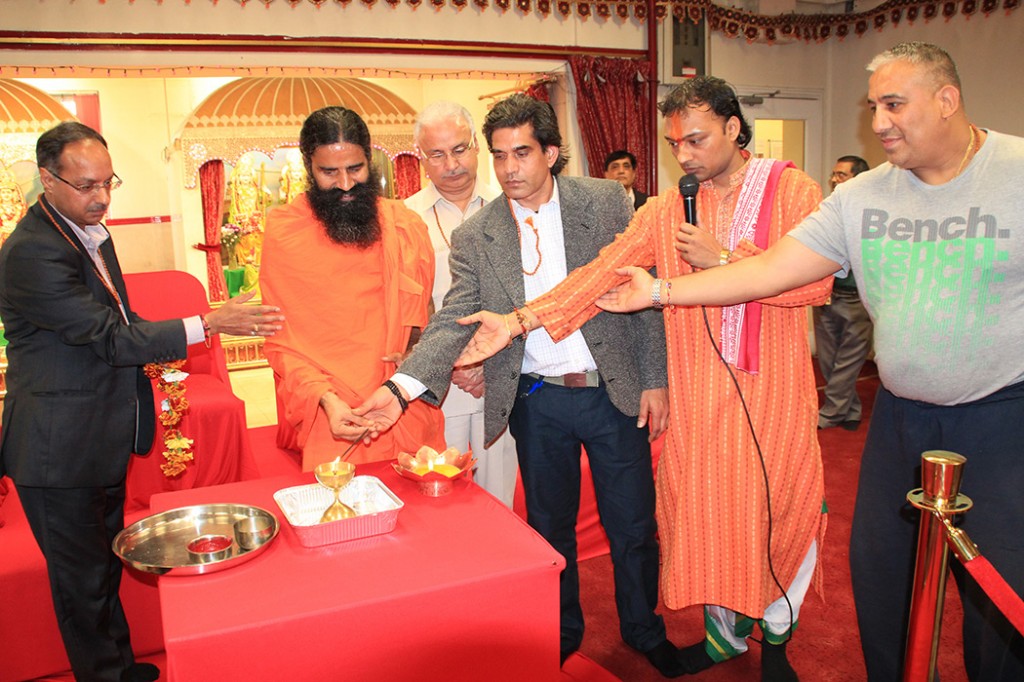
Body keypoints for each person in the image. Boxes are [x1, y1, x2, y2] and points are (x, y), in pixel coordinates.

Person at [584, 43, 1024, 681]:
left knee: (998, 582)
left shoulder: (1015, 172)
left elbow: (803, 290)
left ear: (947, 100)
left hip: (1003, 415)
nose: (878, 123)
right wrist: (658, 291)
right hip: (899, 417)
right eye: (874, 106)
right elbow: (771, 271)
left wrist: (678, 280)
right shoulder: (863, 195)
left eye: (894, 105)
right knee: (881, 574)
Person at [456, 77, 832, 681]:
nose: (683, 155)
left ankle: (780, 641)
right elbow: (601, 272)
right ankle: (724, 638)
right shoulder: (665, 209)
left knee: (778, 510)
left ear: (735, 128)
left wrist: (726, 261)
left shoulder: (793, 190)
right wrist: (519, 321)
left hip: (773, 393)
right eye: (674, 142)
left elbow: (816, 284)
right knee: (708, 514)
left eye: (697, 140)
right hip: (701, 394)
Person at [357, 94, 684, 676]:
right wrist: (403, 387)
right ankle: (559, 634)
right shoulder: (478, 234)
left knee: (633, 524)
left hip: (612, 392)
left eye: (523, 153)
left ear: (551, 153)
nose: (509, 169)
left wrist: (655, 379)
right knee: (550, 529)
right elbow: (451, 318)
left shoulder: (606, 201)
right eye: (500, 155)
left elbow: (646, 288)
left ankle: (643, 629)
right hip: (538, 401)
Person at [0, 121, 282, 682]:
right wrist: (207, 323)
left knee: (101, 574)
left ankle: (123, 670)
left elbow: (120, 323)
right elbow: (109, 340)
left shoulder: (83, 232)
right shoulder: (33, 251)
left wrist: (199, 326)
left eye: (109, 183)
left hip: (93, 437)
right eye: (85, 186)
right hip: (57, 450)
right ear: (46, 179)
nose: (101, 197)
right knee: (81, 586)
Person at [260, 106, 444, 471]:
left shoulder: (404, 225)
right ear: (308, 167)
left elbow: (425, 316)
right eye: (329, 172)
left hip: (401, 403)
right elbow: (281, 342)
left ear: (369, 158)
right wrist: (326, 400)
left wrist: (415, 353)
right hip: (330, 415)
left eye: (355, 169)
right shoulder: (285, 231)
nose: (345, 184)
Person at [403, 101, 518, 508]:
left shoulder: (514, 206)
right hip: (440, 382)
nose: (451, 163)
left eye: (459, 149)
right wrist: (455, 362)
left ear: (476, 148)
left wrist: (486, 362)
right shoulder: (404, 219)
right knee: (440, 495)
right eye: (437, 154)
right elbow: (407, 307)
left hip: (503, 373)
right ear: (421, 158)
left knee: (499, 494)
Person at [813, 155, 872, 430]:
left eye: (841, 175)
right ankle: (850, 411)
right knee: (828, 358)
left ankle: (831, 412)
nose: (835, 180)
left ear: (859, 178)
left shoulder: (872, 214)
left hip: (856, 299)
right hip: (826, 295)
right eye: (834, 174)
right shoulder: (828, 210)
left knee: (848, 361)